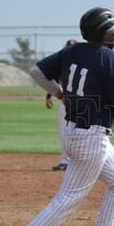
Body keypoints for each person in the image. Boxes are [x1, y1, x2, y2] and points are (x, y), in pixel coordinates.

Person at [0, 6, 114, 226]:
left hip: (80, 133)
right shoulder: (110, 58)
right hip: (91, 138)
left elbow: (37, 72)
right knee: (66, 200)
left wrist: (59, 92)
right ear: (109, 34)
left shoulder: (72, 51)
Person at [48, 39, 79, 171]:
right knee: (65, 132)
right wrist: (48, 96)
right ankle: (67, 161)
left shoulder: (83, 64)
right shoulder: (62, 63)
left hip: (81, 103)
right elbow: (53, 80)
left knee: (80, 133)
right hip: (65, 102)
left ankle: (71, 162)